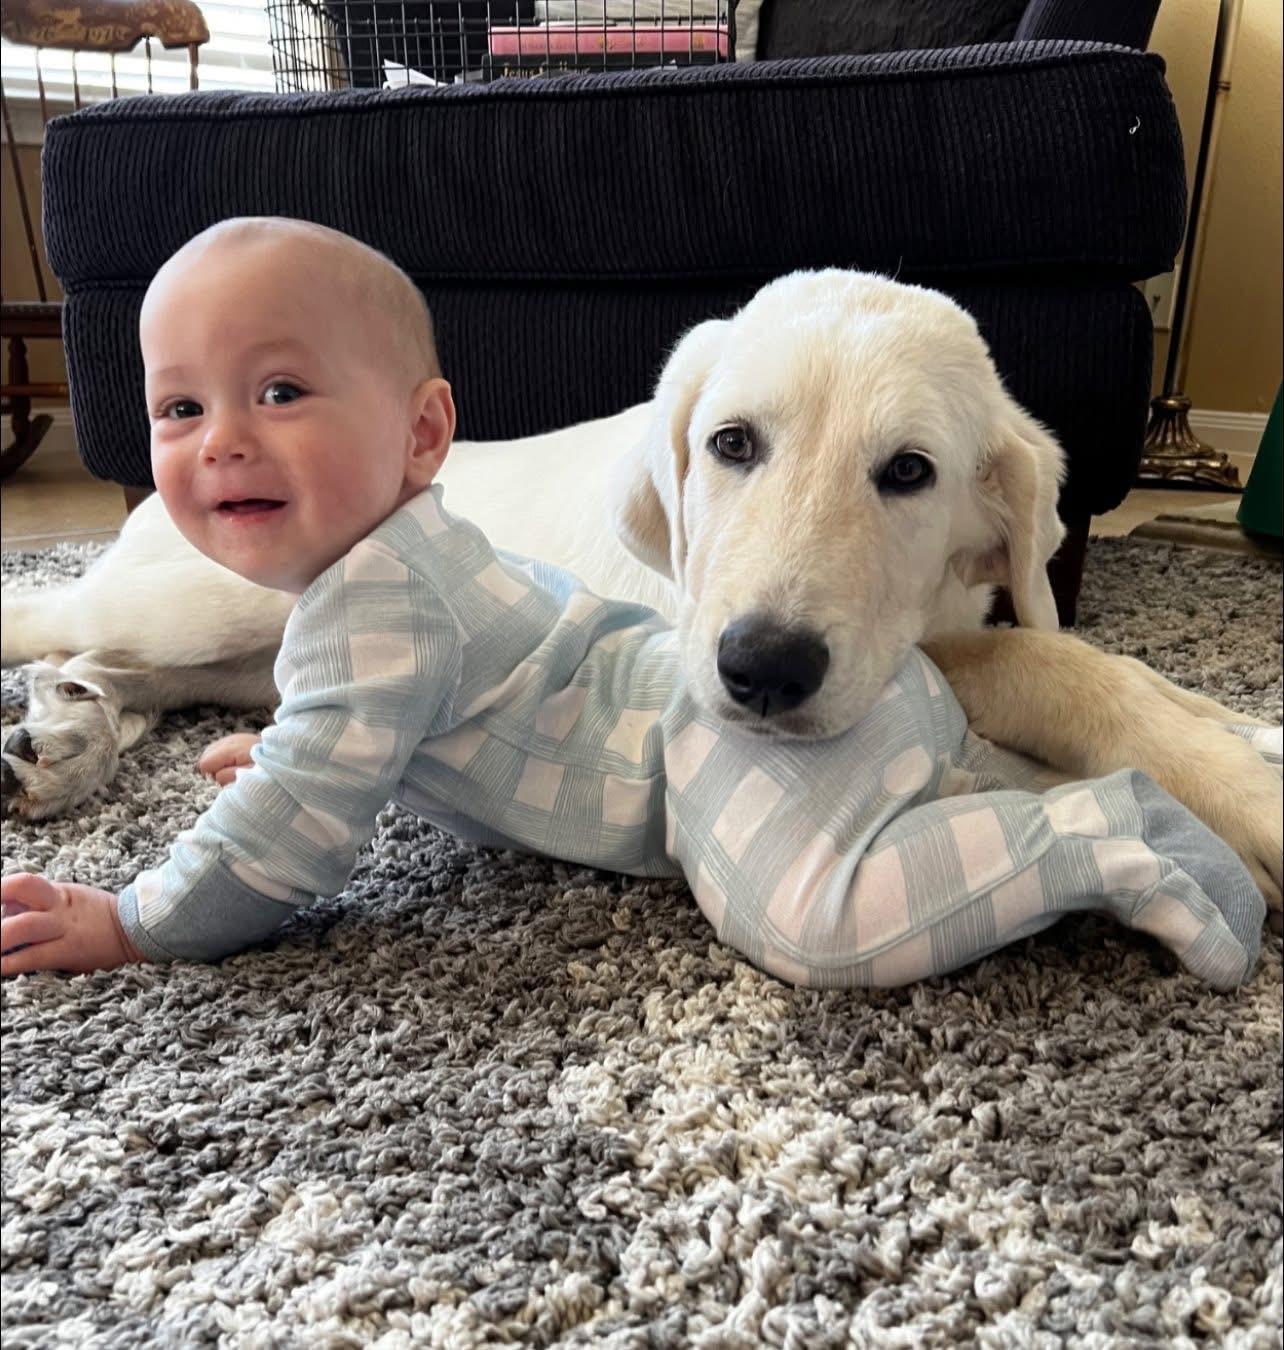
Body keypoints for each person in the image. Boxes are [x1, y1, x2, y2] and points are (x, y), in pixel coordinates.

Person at [0, 218, 1269, 989]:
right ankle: (96, 685)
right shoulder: (432, 540)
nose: (777, 597)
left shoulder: (988, 505)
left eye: (903, 473)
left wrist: (1118, 699)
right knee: (144, 630)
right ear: (679, 460)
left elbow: (957, 692)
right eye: (736, 449)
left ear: (992, 522)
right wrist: (155, 908)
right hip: (260, 618)